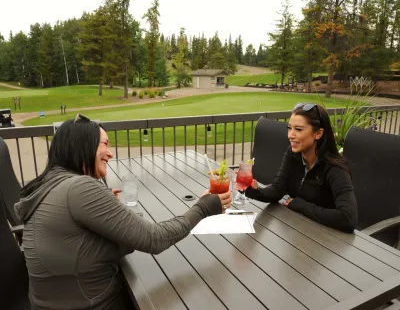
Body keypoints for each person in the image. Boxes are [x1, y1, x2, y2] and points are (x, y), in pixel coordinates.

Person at [14, 114, 232, 310]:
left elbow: (119, 242)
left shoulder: (52, 185)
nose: (110, 153)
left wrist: (112, 212)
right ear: (82, 146)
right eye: (105, 144)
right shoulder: (78, 188)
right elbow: (152, 239)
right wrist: (203, 207)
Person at [246, 102, 357, 233]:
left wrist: (301, 205)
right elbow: (277, 190)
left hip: (328, 240)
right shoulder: (293, 155)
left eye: (298, 129)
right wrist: (252, 190)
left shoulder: (335, 169)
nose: (290, 135)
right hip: (299, 231)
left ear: (318, 133)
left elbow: (348, 218)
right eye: (289, 128)